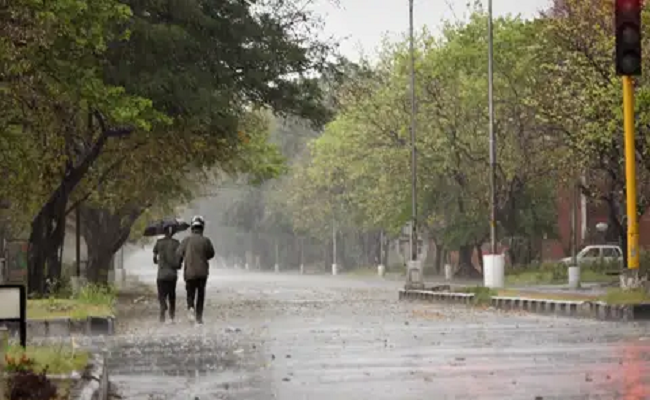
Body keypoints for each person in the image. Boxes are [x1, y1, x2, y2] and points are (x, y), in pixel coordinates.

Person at [176, 215, 215, 325]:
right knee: (201, 295)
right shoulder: (206, 241)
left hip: (189, 273)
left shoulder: (186, 241)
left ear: (192, 228)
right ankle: (199, 317)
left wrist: (181, 261)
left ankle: (190, 307)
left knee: (190, 293)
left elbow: (178, 253)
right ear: (202, 228)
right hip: (202, 273)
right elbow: (211, 254)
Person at [153, 222, 181, 323]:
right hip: (172, 275)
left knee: (161, 294)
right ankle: (172, 316)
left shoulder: (159, 243)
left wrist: (157, 261)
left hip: (161, 275)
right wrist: (178, 264)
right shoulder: (176, 243)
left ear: (164, 232)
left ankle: (162, 308)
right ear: (173, 232)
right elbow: (180, 257)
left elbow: (154, 258)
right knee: (172, 295)